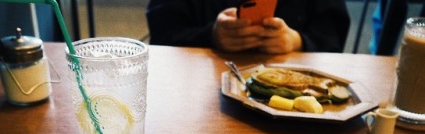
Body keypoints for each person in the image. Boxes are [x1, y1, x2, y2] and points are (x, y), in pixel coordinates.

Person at [146, 0, 350, 53]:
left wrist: (296, 41)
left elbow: (332, 36)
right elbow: (163, 33)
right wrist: (210, 36)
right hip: (197, 96)